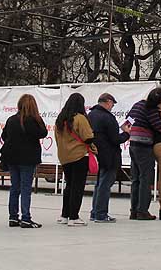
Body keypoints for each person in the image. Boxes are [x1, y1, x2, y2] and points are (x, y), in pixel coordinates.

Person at [0, 94, 48, 228]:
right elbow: (43, 133)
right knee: (26, 188)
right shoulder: (33, 120)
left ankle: (13, 217)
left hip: (12, 157)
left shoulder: (11, 120)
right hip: (28, 158)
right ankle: (26, 217)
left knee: (15, 187)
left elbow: (4, 136)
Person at [127, 88, 161, 220]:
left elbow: (128, 120)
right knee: (145, 178)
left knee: (136, 179)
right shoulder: (151, 110)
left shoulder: (137, 105)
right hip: (144, 145)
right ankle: (142, 211)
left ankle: (134, 211)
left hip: (133, 144)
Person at [55, 93, 96, 227]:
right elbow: (88, 137)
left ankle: (65, 215)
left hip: (64, 157)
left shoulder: (60, 119)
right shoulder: (80, 118)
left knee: (69, 186)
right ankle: (74, 216)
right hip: (79, 155)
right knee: (77, 187)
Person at [88, 93, 130, 223]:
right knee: (105, 185)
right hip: (110, 155)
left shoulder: (91, 115)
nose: (112, 107)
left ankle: (95, 212)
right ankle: (101, 214)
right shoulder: (107, 117)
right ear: (108, 102)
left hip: (98, 153)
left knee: (99, 184)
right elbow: (115, 139)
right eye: (112, 104)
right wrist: (126, 133)